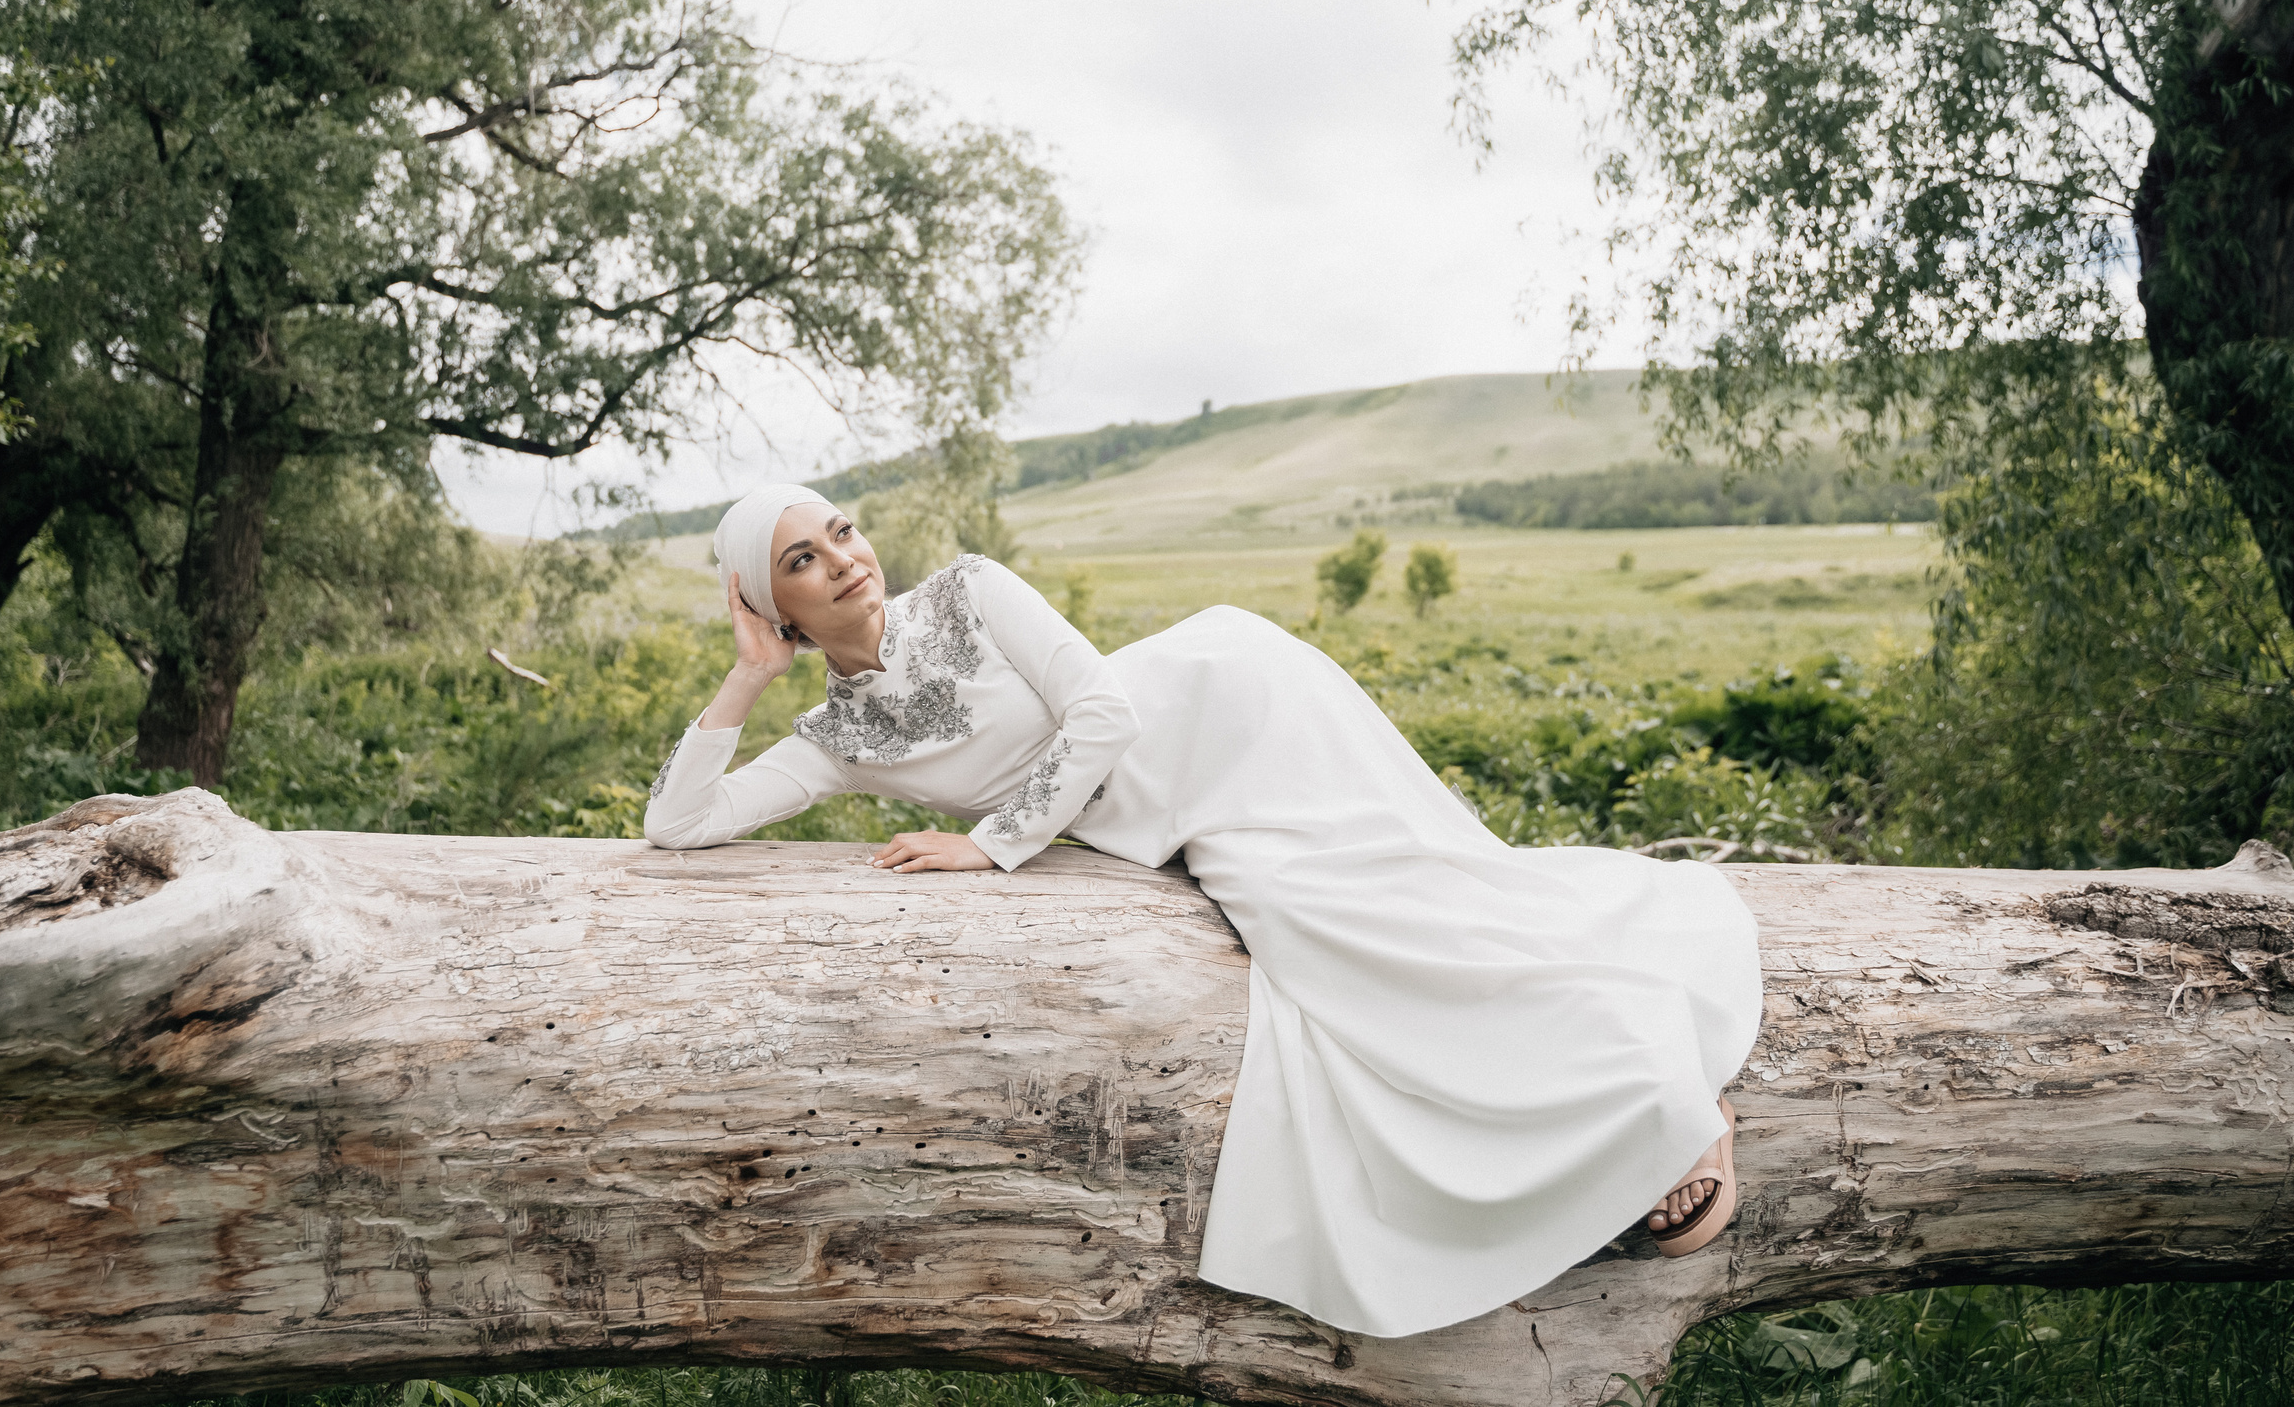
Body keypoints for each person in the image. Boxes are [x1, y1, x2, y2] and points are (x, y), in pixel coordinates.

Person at [644, 484, 1761, 1339]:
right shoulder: (833, 744)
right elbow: (679, 826)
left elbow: (1101, 710)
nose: (844, 559)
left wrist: (993, 845)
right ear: (768, 599)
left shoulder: (971, 590)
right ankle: (1623, 1082)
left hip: (1222, 705)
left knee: (1374, 910)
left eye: (842, 530)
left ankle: (1663, 1086)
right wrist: (745, 678)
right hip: (1166, 815)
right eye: (802, 559)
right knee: (1333, 939)